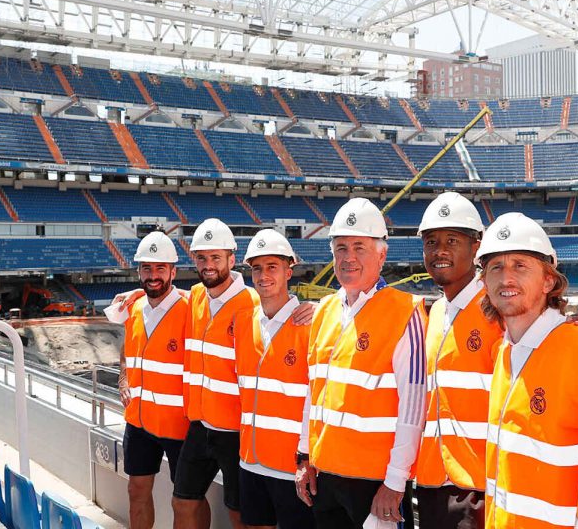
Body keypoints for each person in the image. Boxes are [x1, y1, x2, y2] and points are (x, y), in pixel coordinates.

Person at [476, 213, 578, 529]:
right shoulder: (505, 352)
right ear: (483, 282)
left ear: (549, 280)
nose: (506, 278)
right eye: (495, 267)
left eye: (520, 266)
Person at [295, 197, 427, 529]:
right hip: (325, 477)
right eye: (341, 248)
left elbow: (414, 408)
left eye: (359, 247)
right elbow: (314, 393)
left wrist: (395, 483)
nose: (348, 257)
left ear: (382, 254)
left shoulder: (405, 312)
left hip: (374, 484)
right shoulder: (324, 310)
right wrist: (305, 457)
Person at [414, 192, 502, 529]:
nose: (440, 251)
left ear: (476, 248)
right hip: (433, 481)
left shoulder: (497, 309)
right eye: (432, 241)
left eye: (452, 240)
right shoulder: (436, 311)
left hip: (477, 486)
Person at [175, 218, 259, 529]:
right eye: (202, 258)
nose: (208, 265)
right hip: (200, 424)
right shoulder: (197, 295)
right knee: (183, 501)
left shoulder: (251, 304)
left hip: (236, 432)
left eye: (215, 258)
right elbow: (164, 296)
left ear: (231, 260)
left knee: (240, 514)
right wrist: (134, 295)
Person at [108, 231, 191, 529]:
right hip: (140, 421)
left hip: (178, 424)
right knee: (136, 491)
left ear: (173, 271)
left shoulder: (191, 309)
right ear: (139, 271)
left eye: (160, 268)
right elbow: (127, 349)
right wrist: (123, 378)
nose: (153, 275)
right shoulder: (133, 307)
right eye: (147, 268)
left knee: (186, 501)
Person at [234, 229, 315, 529]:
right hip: (250, 461)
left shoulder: (309, 325)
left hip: (291, 467)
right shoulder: (243, 322)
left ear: (288, 270)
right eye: (257, 268)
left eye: (272, 267)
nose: (263, 275)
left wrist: (305, 458)